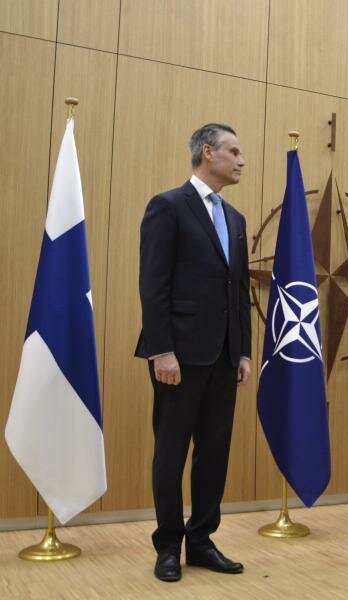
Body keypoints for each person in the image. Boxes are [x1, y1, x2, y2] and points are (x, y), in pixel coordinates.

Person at [135, 123, 252, 581]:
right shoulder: (167, 206)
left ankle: (201, 540)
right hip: (178, 357)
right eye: (233, 151)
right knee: (171, 453)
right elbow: (153, 285)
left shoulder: (236, 219)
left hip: (223, 357)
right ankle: (168, 545)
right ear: (207, 152)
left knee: (214, 452)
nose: (241, 160)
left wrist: (242, 352)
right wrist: (161, 350)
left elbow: (238, 291)